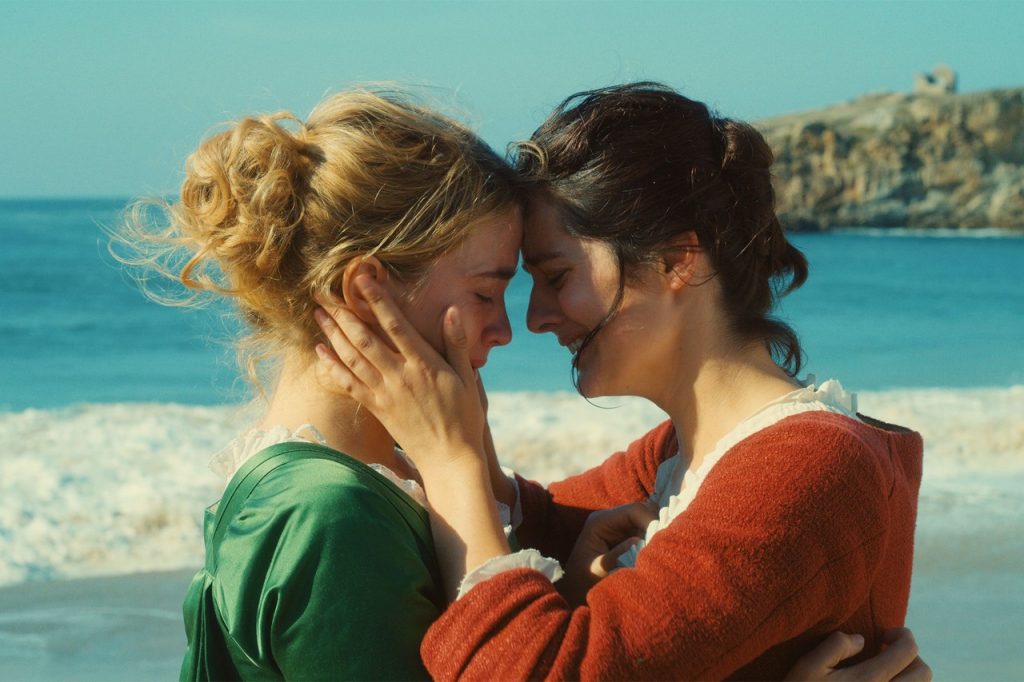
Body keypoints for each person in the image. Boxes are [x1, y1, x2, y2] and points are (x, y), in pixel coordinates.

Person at [312, 82, 926, 680]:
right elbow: (543, 527)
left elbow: (536, 670)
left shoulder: (807, 466)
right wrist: (457, 427)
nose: (535, 318)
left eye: (555, 276)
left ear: (674, 261)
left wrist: (449, 459)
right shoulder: (675, 458)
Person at [116, 88, 524, 679]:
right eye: (486, 293)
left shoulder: (370, 480)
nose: (507, 330)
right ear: (367, 291)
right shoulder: (332, 517)